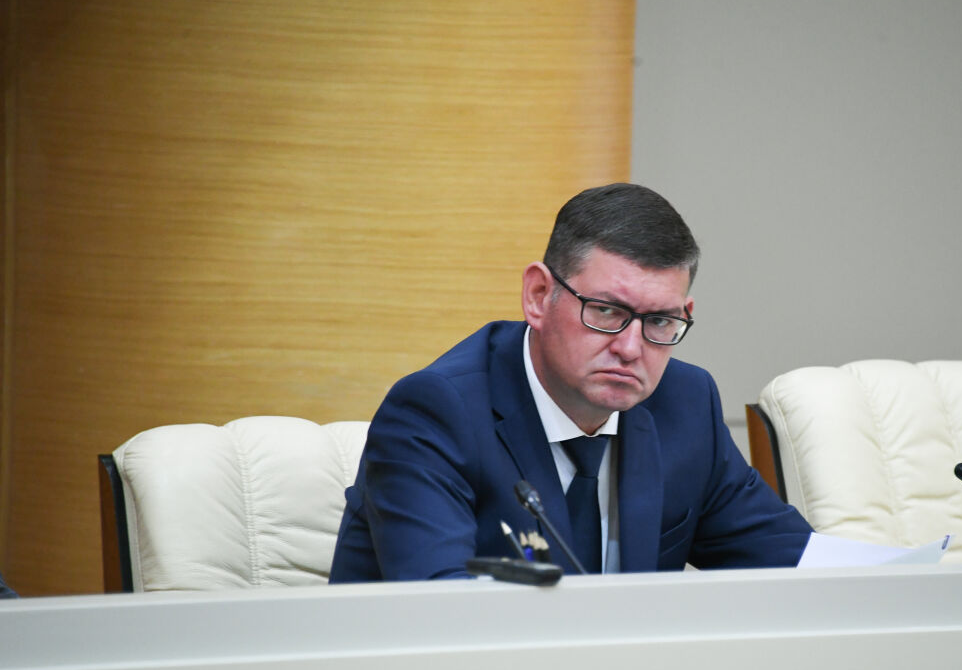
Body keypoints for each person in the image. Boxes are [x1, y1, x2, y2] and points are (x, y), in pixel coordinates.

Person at [329, 183, 811, 581]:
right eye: (606, 311)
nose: (630, 348)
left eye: (660, 321)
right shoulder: (435, 413)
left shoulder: (684, 404)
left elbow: (797, 562)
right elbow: (443, 612)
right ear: (539, 296)